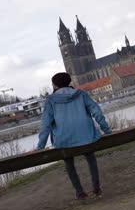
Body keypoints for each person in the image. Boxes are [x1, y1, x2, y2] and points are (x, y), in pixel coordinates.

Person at [36, 72, 112, 200]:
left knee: (68, 163)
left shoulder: (50, 100)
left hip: (64, 140)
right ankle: (96, 188)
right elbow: (96, 112)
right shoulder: (81, 94)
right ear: (69, 82)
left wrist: (40, 147)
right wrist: (106, 129)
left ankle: (80, 192)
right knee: (90, 158)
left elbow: (45, 125)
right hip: (87, 137)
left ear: (54, 85)